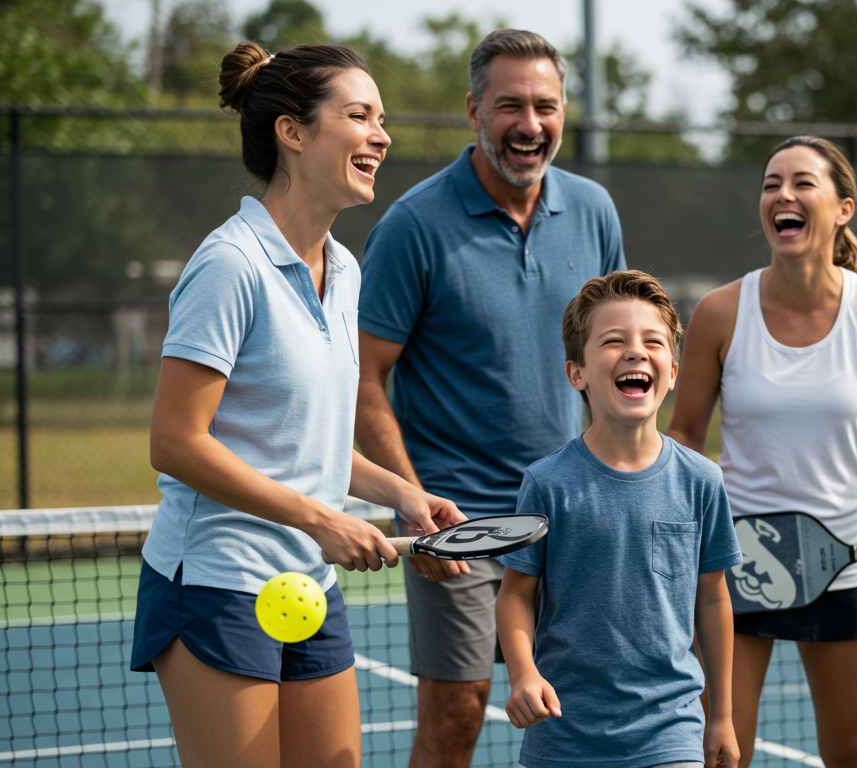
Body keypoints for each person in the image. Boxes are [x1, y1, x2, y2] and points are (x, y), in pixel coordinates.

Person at [131, 42, 465, 768]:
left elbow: (308, 444)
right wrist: (319, 519)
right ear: (293, 131)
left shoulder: (344, 268)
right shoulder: (229, 266)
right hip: (216, 584)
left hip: (306, 584)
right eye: (358, 115)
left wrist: (404, 494)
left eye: (383, 120)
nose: (381, 135)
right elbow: (176, 443)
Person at [354, 28, 626, 768]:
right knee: (457, 717)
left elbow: (615, 359)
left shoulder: (595, 209)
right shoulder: (412, 225)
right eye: (510, 106)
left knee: (582, 711)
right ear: (473, 109)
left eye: (545, 105)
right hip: (460, 522)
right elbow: (361, 379)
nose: (529, 125)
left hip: (573, 518)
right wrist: (413, 501)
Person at [667, 135, 857, 768]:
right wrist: (672, 525)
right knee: (719, 753)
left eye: (801, 183)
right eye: (771, 184)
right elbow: (682, 438)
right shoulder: (720, 312)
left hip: (845, 563)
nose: (783, 196)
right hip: (734, 565)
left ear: (843, 208)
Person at [495, 270, 743, 768]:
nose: (634, 351)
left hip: (670, 734)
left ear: (672, 373)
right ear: (577, 373)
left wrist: (722, 716)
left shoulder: (701, 481)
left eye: (652, 341)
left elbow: (713, 599)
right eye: (613, 341)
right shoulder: (546, 483)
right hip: (562, 739)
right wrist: (523, 674)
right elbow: (516, 596)